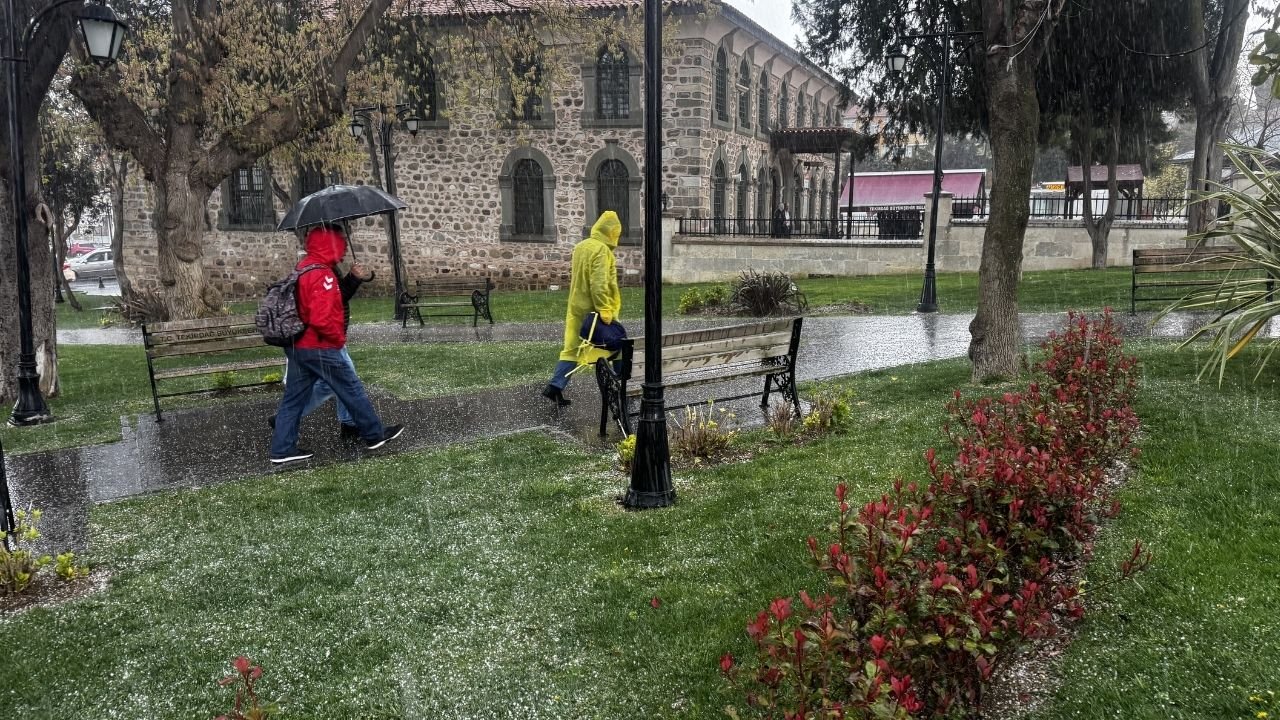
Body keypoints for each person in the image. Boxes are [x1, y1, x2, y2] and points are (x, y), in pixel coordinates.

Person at [268, 226, 403, 464]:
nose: (341, 249)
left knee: (295, 397)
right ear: (330, 245)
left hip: (297, 344)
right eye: (338, 243)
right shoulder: (323, 273)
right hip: (318, 346)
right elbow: (322, 318)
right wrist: (337, 339)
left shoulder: (304, 267)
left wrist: (352, 278)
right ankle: (374, 435)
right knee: (350, 388)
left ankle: (282, 448)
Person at [542, 210, 623, 407]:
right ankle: (622, 385)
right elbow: (599, 283)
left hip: (576, 307)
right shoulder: (602, 251)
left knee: (572, 348)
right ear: (613, 233)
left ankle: (555, 386)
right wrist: (605, 309)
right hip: (595, 312)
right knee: (617, 346)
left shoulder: (581, 247)